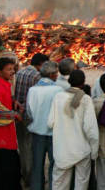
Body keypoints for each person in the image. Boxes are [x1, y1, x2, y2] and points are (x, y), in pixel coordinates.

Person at [48, 69, 99, 190]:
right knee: (81, 183)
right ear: (83, 83)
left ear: (69, 82)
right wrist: (94, 151)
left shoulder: (58, 97)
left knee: (59, 184)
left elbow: (50, 123)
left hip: (62, 150)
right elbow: (90, 129)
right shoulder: (86, 99)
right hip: (82, 150)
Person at [25, 61, 64, 190]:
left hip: (37, 132)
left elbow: (29, 111)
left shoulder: (32, 90)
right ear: (52, 74)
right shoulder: (58, 89)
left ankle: (37, 187)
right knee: (54, 164)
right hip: (54, 132)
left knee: (37, 164)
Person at [13, 52, 48, 185]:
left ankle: (25, 174)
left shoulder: (19, 73)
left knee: (22, 146)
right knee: (31, 147)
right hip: (29, 114)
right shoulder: (37, 76)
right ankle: (31, 177)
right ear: (41, 64)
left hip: (18, 113)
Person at [0, 57, 21, 190]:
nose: (12, 72)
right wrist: (15, 115)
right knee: (6, 173)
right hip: (2, 138)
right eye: (9, 69)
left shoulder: (1, 84)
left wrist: (13, 103)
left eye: (13, 69)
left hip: (3, 136)